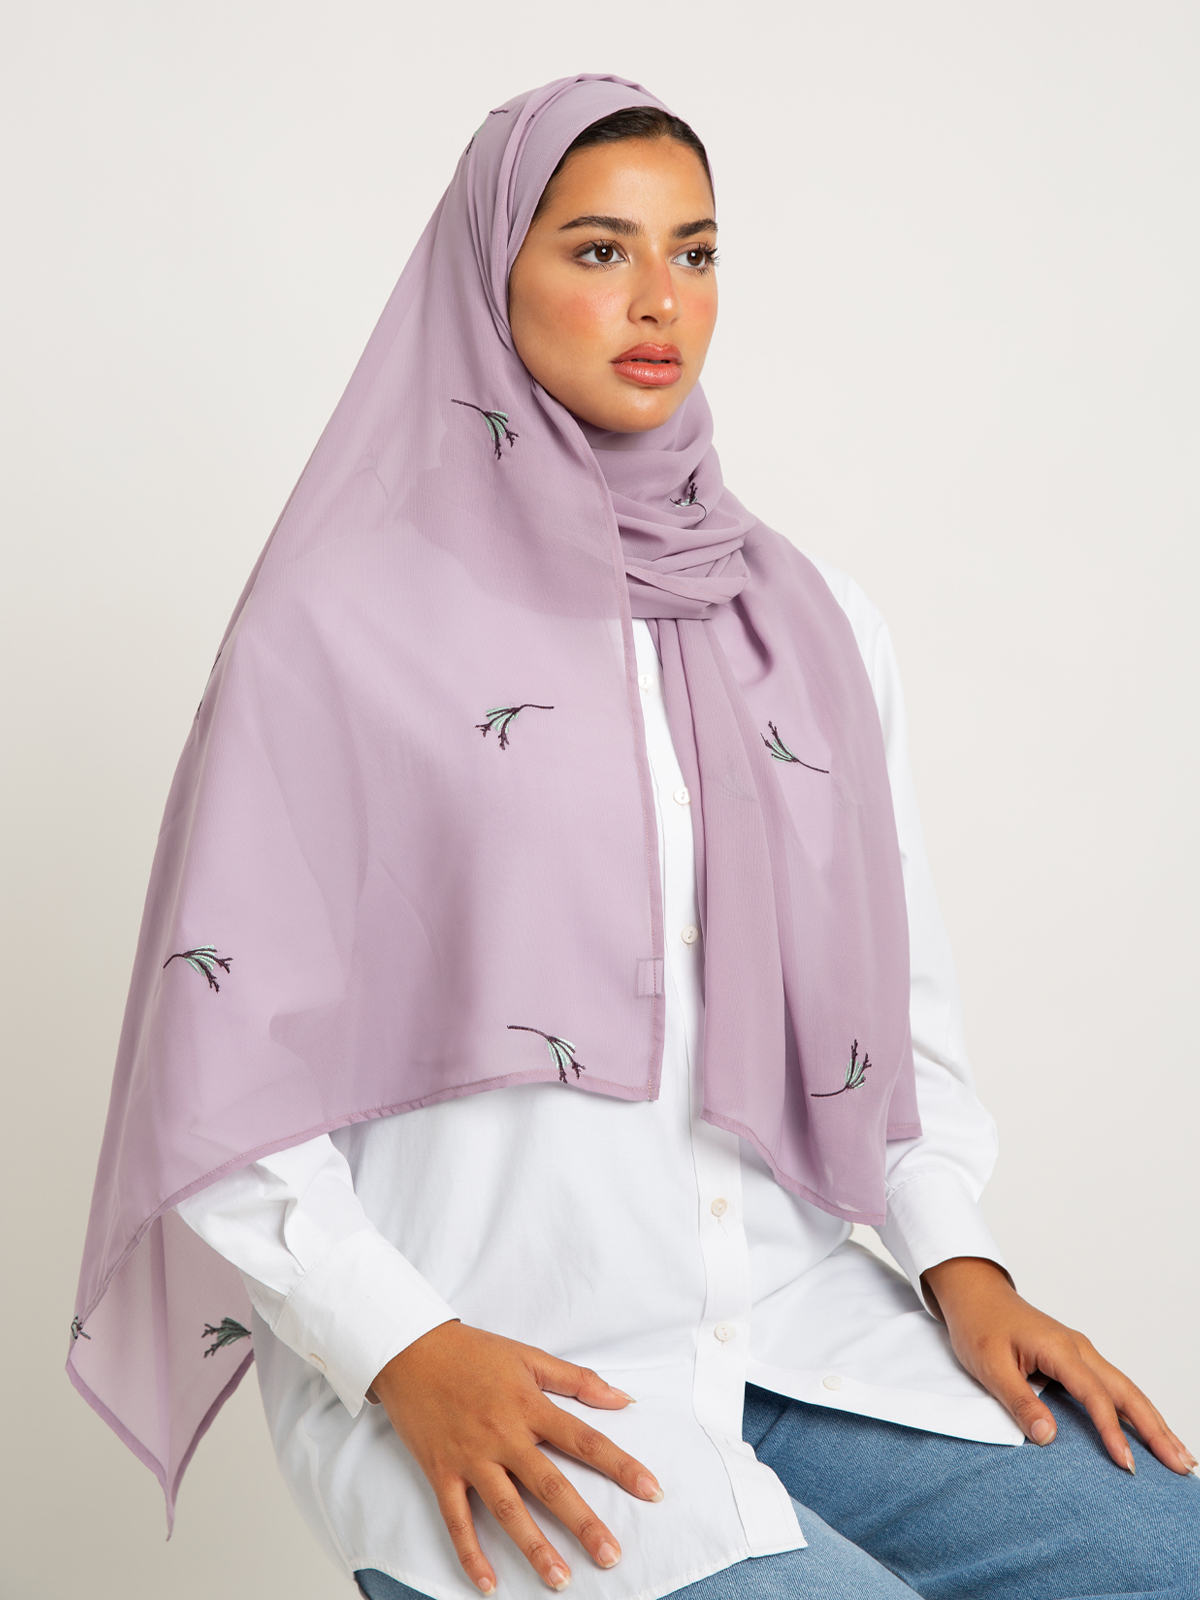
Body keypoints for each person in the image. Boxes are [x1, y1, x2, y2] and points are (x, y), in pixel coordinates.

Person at [69, 74, 1198, 1600]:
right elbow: (218, 1069)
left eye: (696, 251)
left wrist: (961, 1261)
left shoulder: (808, 620)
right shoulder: (338, 627)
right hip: (493, 1371)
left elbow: (900, 1006)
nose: (661, 298)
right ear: (491, 275)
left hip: (796, 1328)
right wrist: (400, 1347)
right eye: (600, 250)